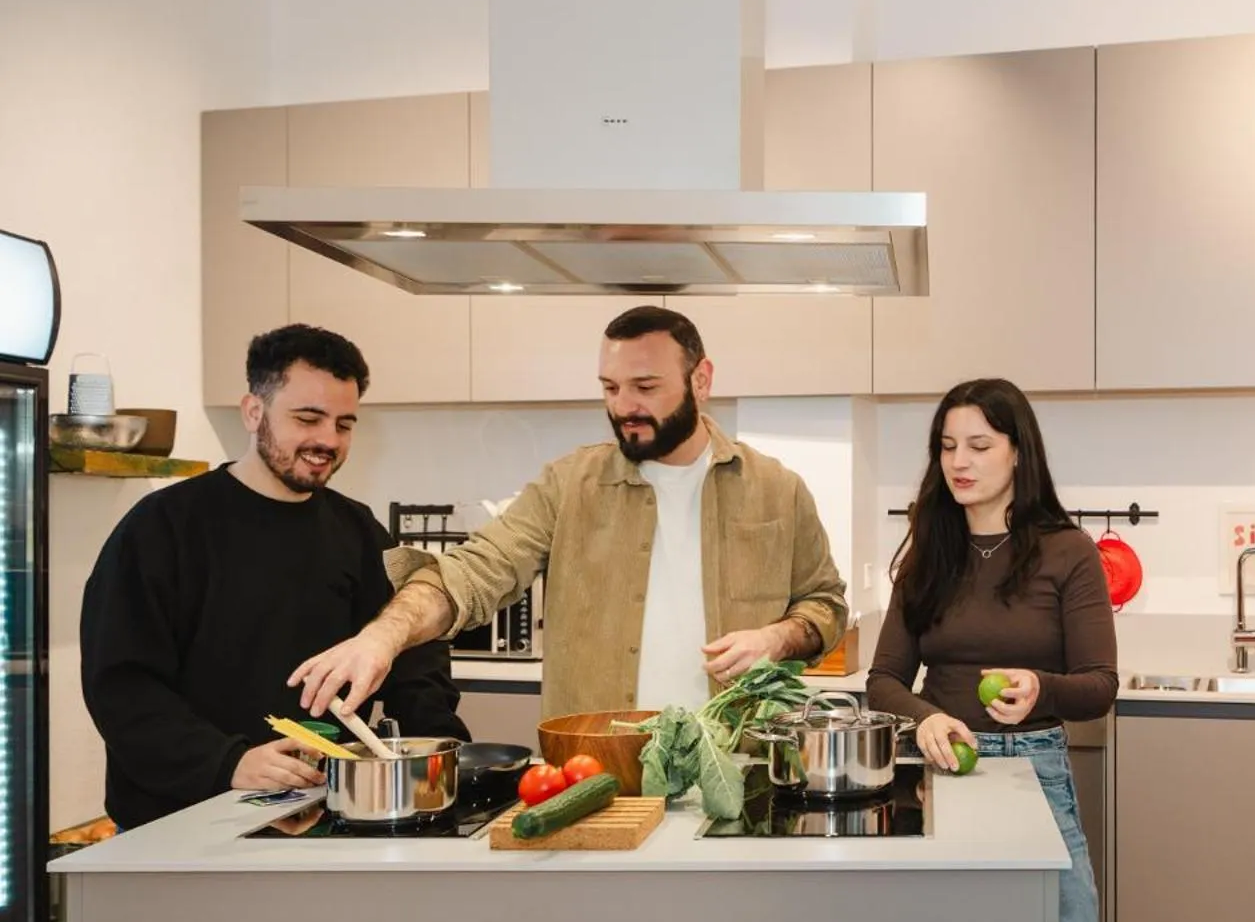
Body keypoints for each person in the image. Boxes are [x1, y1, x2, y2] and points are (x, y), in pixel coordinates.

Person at [866, 379, 1134, 922]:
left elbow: (1099, 682)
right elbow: (883, 678)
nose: (961, 462)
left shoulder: (1065, 551)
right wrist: (921, 718)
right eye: (948, 446)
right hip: (934, 783)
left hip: (1034, 778)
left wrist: (1038, 691)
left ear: (1018, 449)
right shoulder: (928, 553)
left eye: (979, 444)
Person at [289, 305, 849, 721]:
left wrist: (777, 639)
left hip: (742, 770)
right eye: (610, 387)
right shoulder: (568, 485)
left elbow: (824, 604)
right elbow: (473, 571)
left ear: (701, 380)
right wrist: (382, 638)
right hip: (599, 775)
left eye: (646, 387)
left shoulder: (778, 489)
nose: (624, 406)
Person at [79, 324, 467, 829]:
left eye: (344, 424)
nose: (327, 440)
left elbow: (412, 661)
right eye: (308, 418)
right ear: (253, 411)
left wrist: (441, 753)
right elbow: (121, 684)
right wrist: (228, 762)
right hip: (178, 819)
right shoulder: (161, 528)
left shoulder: (359, 530)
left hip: (318, 810)